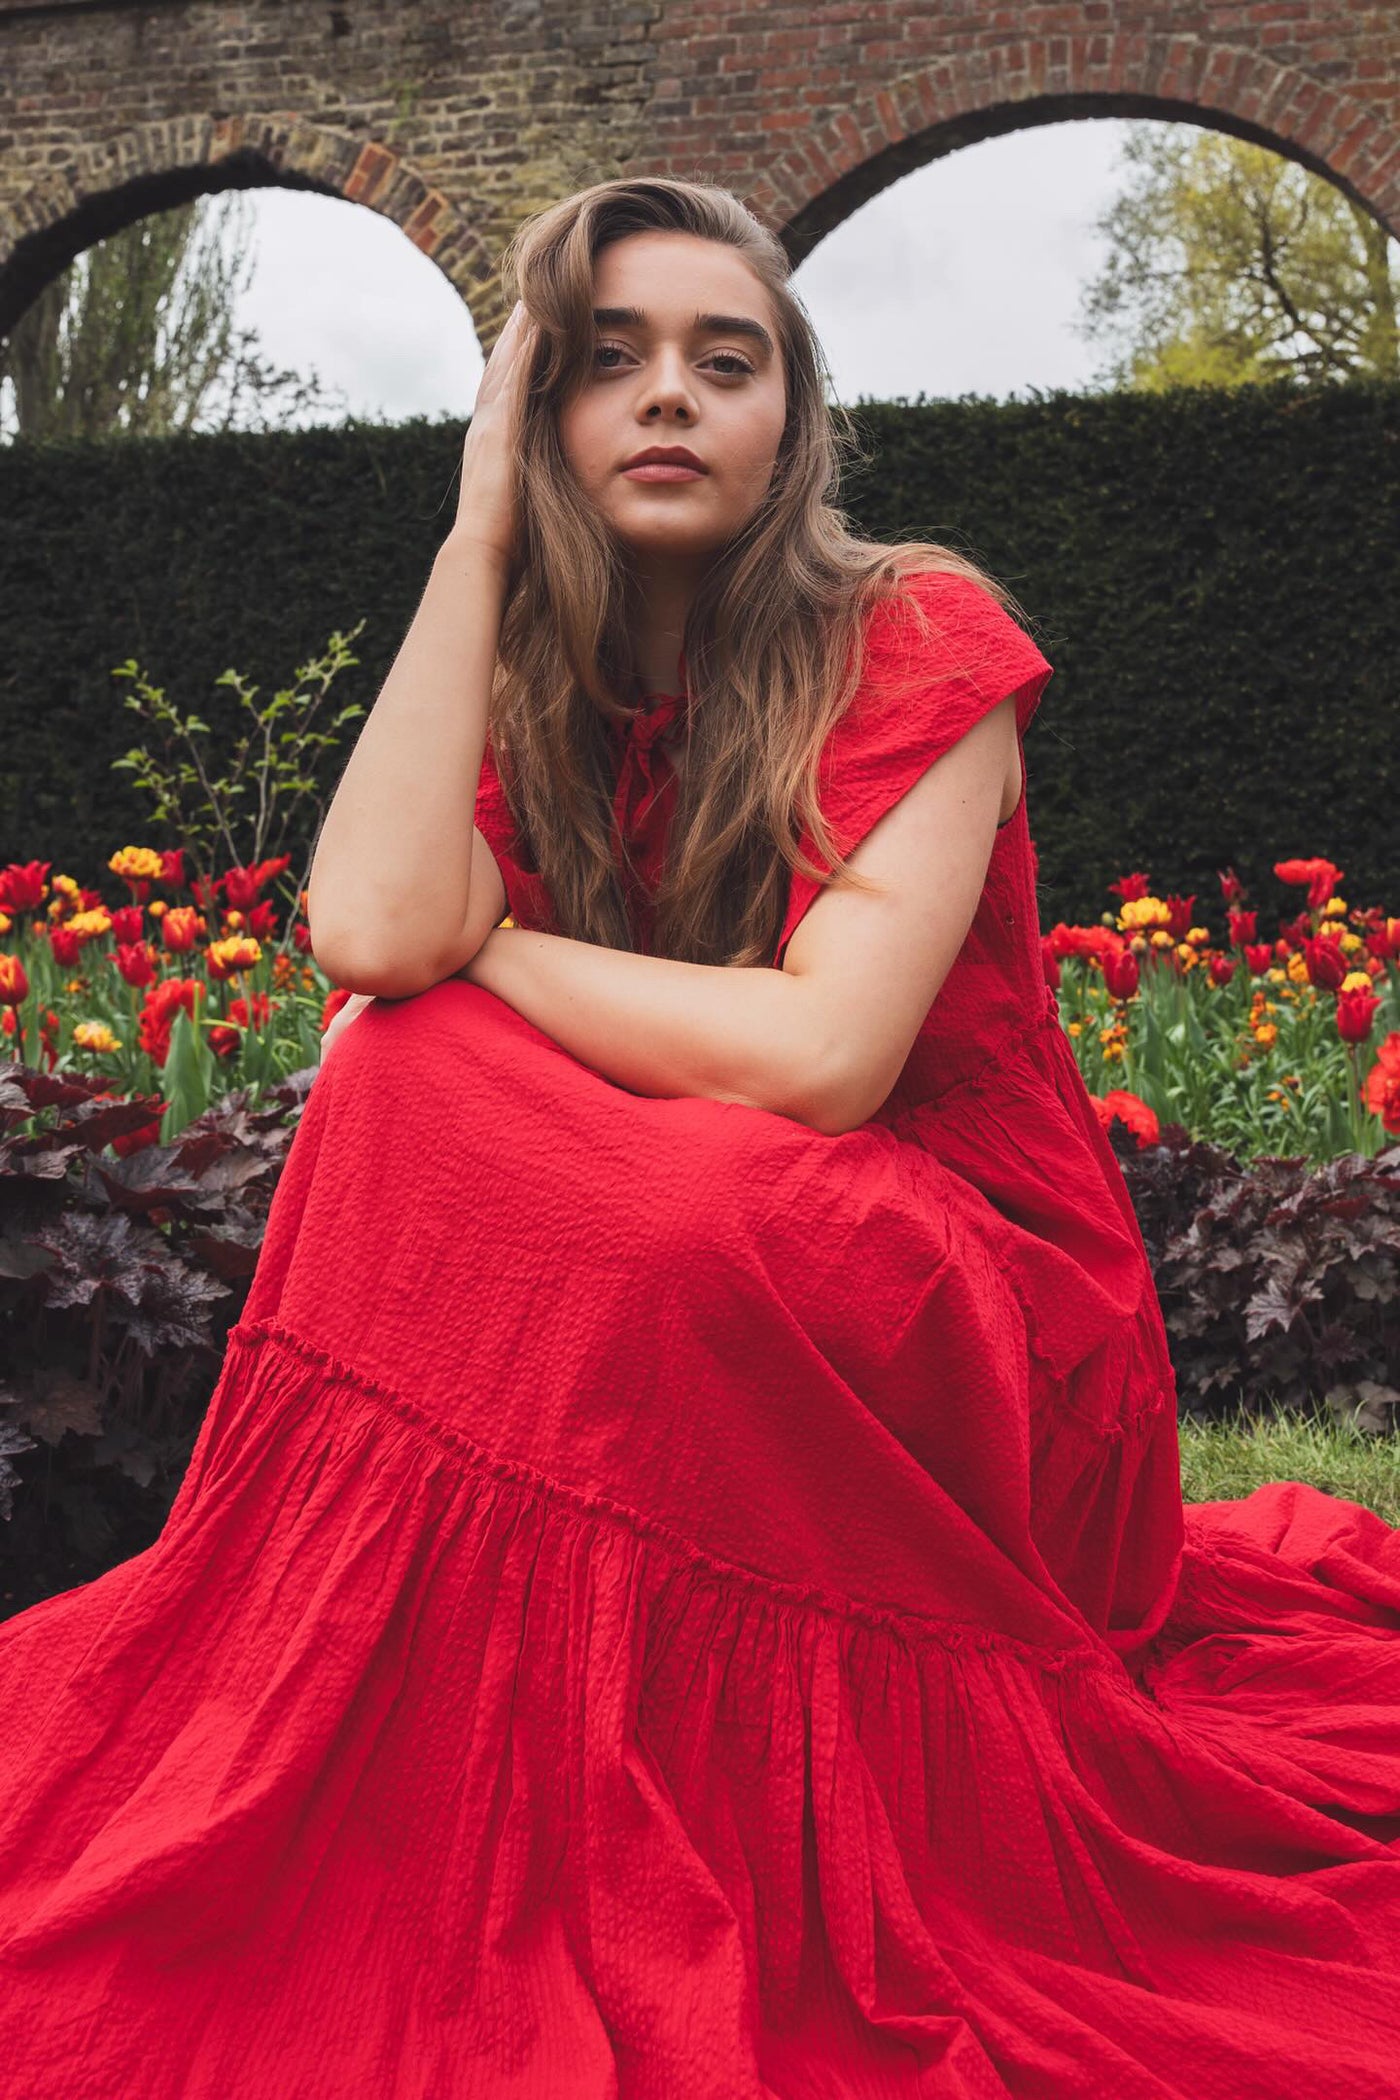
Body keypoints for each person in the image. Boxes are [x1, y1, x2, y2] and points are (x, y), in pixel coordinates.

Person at [1, 175, 1398, 2100]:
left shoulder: (917, 630)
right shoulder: (526, 674)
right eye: (604, 364)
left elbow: (826, 1059)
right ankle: (440, 1726)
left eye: (722, 363)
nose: (667, 399)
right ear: (538, 413)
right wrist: (476, 526)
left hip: (976, 1316)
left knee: (582, 1121)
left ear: (790, 420)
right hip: (691, 1246)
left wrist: (493, 953)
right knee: (409, 1069)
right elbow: (372, 936)